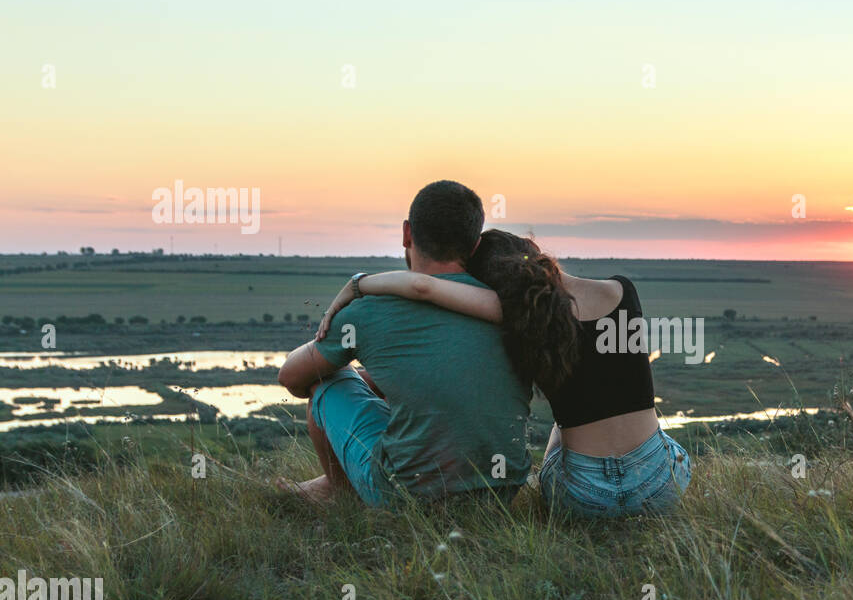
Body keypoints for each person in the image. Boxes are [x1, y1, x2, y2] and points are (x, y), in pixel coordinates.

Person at [316, 229, 691, 517]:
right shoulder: (621, 291)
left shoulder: (520, 317)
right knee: (646, 429)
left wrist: (357, 284)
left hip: (581, 497)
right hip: (661, 486)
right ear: (535, 250)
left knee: (565, 425)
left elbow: (422, 286)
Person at [275, 181, 531, 506]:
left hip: (406, 497)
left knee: (327, 381)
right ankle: (332, 485)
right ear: (475, 245)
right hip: (500, 494)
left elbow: (292, 378)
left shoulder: (369, 309)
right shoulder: (510, 306)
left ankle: (339, 494)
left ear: (407, 234)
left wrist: (335, 345)